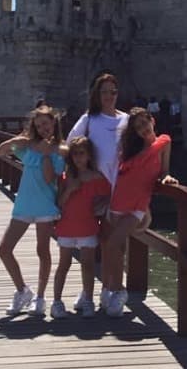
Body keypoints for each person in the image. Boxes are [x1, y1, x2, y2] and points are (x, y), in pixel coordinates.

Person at [102, 107, 178, 318]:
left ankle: (118, 291)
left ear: (152, 120)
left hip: (137, 205)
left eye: (145, 123)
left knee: (113, 244)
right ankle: (109, 287)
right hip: (118, 202)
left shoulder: (164, 141)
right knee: (115, 249)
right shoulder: (130, 152)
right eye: (138, 127)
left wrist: (167, 179)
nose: (143, 129)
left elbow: (164, 171)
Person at [0, 104, 66, 317]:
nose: (43, 128)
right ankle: (22, 290)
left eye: (46, 123)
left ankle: (41, 297)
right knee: (4, 249)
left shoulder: (58, 150)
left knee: (42, 251)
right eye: (38, 125)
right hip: (24, 204)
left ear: (54, 123)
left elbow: (48, 178)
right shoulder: (29, 147)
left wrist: (45, 154)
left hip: (44, 205)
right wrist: (14, 141)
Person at [49, 136, 111, 319]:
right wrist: (69, 189)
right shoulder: (65, 177)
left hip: (88, 226)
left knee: (88, 266)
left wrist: (101, 205)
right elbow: (59, 203)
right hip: (67, 226)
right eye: (74, 154)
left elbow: (108, 197)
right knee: (64, 264)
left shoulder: (98, 178)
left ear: (89, 155)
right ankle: (57, 302)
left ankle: (88, 300)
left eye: (81, 153)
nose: (78, 158)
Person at [66, 72, 128, 187]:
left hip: (122, 184)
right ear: (97, 95)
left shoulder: (126, 119)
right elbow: (69, 145)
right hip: (96, 184)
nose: (109, 96)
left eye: (113, 92)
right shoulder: (89, 118)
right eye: (104, 92)